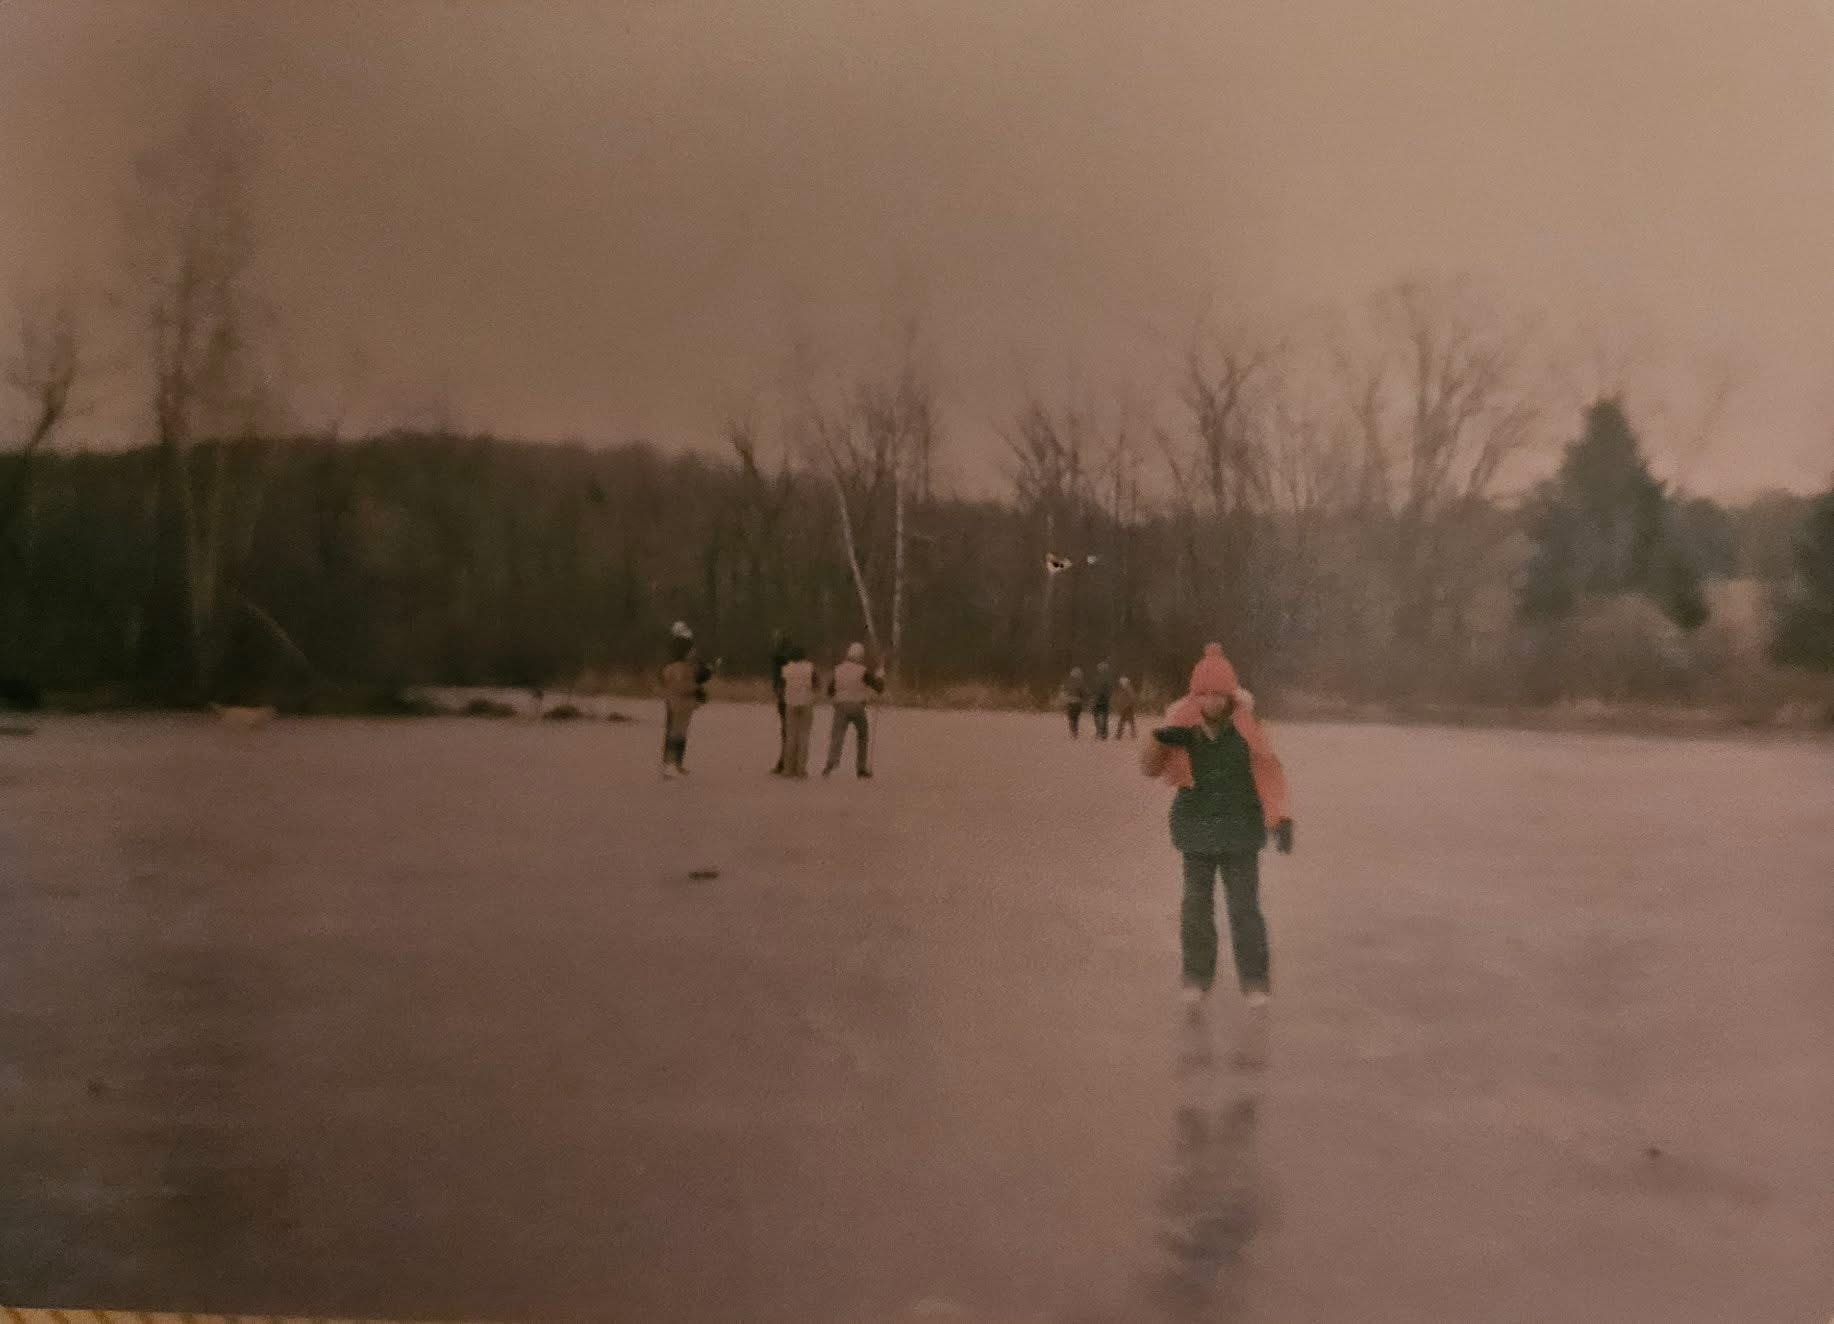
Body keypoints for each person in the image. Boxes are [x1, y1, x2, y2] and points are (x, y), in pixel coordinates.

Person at [1140, 644, 1294, 1010]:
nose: (1211, 702)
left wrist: (1280, 817)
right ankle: (1196, 977)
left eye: (1219, 695)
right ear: (1195, 696)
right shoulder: (1182, 728)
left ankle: (1254, 981)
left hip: (1241, 832)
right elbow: (1149, 769)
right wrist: (1159, 740)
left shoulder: (1248, 731)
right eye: (1205, 694)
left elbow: (1269, 775)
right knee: (1196, 908)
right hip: (1195, 831)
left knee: (1244, 908)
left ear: (1230, 696)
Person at [822, 641, 884, 778]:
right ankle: (861, 768)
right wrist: (880, 676)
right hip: (857, 707)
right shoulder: (863, 671)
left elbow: (830, 690)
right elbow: (878, 688)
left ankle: (830, 763)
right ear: (860, 656)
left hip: (841, 706)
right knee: (862, 735)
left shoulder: (838, 669)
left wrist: (836, 698)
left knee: (837, 736)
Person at [658, 627, 715, 778]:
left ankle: (674, 764)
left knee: (679, 733)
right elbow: (681, 686)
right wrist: (697, 689)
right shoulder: (678, 667)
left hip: (681, 702)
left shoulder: (680, 666)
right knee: (675, 733)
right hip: (679, 702)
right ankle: (670, 764)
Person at [778, 643, 818, 778]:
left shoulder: (786, 669)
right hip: (806, 703)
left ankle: (788, 769)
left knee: (790, 736)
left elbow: (781, 686)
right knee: (804, 736)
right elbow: (816, 684)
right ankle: (801, 769)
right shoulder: (810, 668)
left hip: (790, 703)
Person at [768, 627, 792, 774]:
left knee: (786, 730)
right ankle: (787, 761)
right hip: (786, 694)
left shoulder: (780, 657)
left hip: (784, 694)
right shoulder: (784, 657)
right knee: (788, 730)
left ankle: (784, 762)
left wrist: (777, 688)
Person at [1091, 661, 1115, 740]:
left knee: (1097, 716)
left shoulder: (1098, 678)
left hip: (1099, 699)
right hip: (1104, 699)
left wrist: (1095, 696)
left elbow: (1097, 689)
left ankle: (1099, 731)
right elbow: (1110, 689)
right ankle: (1103, 733)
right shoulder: (1108, 678)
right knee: (1104, 717)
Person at [1063, 666, 1087, 738]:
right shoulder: (1081, 682)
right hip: (1077, 702)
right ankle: (1075, 731)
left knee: (1071, 717)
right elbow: (1083, 692)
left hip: (1070, 701)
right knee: (1076, 717)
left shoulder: (1068, 682)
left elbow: (1065, 691)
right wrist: (1084, 699)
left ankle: (1072, 730)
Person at [1114, 675, 1139, 739]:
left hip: (1128, 707)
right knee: (1129, 721)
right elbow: (1123, 698)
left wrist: (1128, 705)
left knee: (1124, 721)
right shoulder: (1124, 689)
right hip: (1126, 707)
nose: (1120, 684)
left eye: (1121, 683)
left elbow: (1132, 697)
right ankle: (1132, 734)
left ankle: (1119, 735)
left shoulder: (1128, 689)